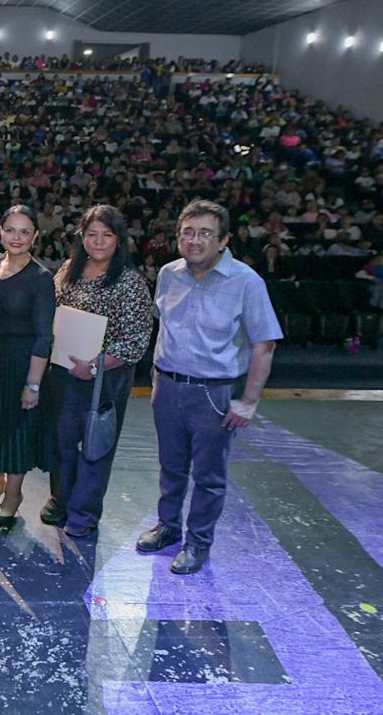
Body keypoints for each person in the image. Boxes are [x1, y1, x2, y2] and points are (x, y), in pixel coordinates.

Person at [139, 200, 282, 574]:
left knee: (209, 476)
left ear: (223, 240)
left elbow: (264, 344)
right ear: (177, 237)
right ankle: (167, 527)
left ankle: (198, 542)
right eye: (188, 232)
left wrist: (249, 401)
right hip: (168, 386)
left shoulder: (247, 282)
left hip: (214, 393)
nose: (195, 240)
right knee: (170, 467)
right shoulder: (168, 274)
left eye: (205, 233)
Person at [46, 206, 154, 538]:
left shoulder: (129, 282)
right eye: (92, 234)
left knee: (96, 443)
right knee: (62, 440)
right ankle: (61, 500)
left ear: (118, 240)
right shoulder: (68, 270)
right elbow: (51, 310)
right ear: (82, 237)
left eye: (106, 235)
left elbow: (137, 339)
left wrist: (94, 365)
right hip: (64, 372)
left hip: (106, 377)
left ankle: (85, 511)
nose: (98, 241)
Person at [0, 205, 55, 529]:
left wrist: (33, 385)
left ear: (35, 236)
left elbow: (43, 336)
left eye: (25, 231)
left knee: (18, 433)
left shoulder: (41, 278)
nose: (17, 237)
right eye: (11, 230)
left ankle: (13, 495)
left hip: (23, 363)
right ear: (1, 231)